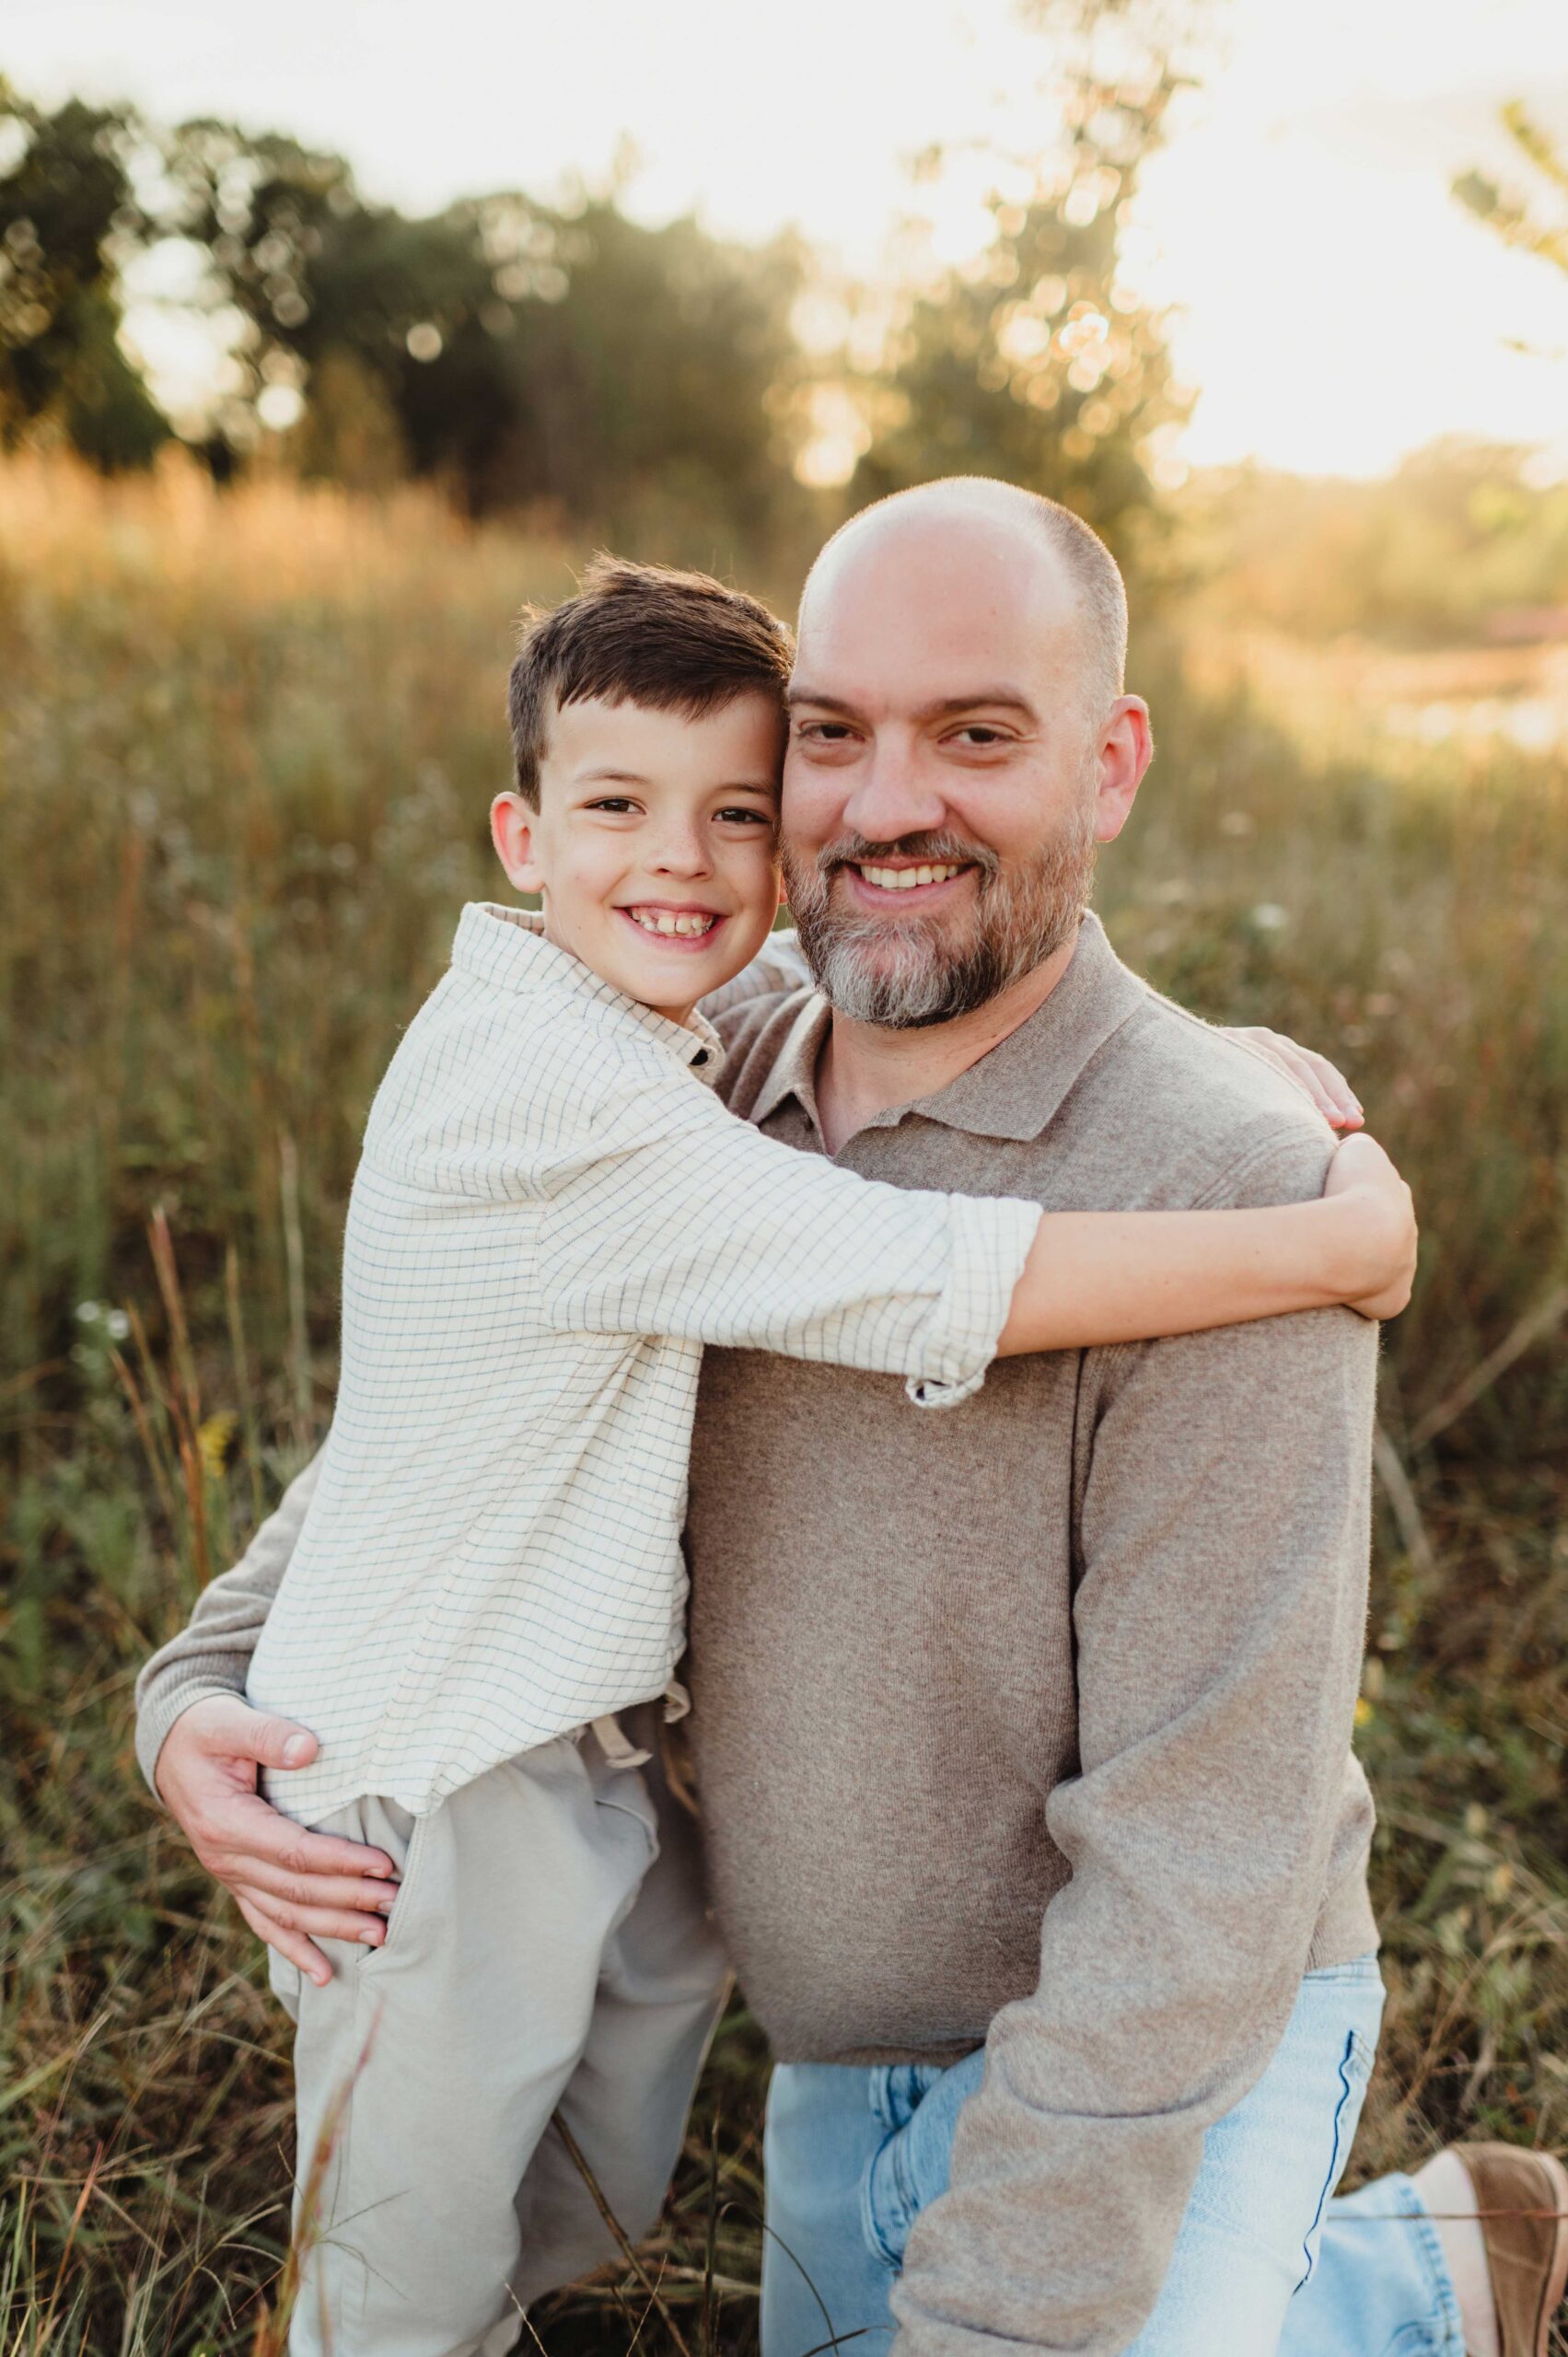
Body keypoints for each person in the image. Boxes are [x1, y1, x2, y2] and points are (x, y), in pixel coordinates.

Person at [136, 487, 1568, 2357]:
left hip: (1171, 2039)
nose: (887, 804)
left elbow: (1193, 1887)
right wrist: (202, 1675)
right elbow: (461, 1412)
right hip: (845, 2037)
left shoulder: (1241, 1208)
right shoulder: (688, 1060)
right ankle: (1417, 2267)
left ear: (1111, 762)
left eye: (978, 733)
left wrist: (1000, 2319)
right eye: (832, 735)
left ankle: (1371, 2271)